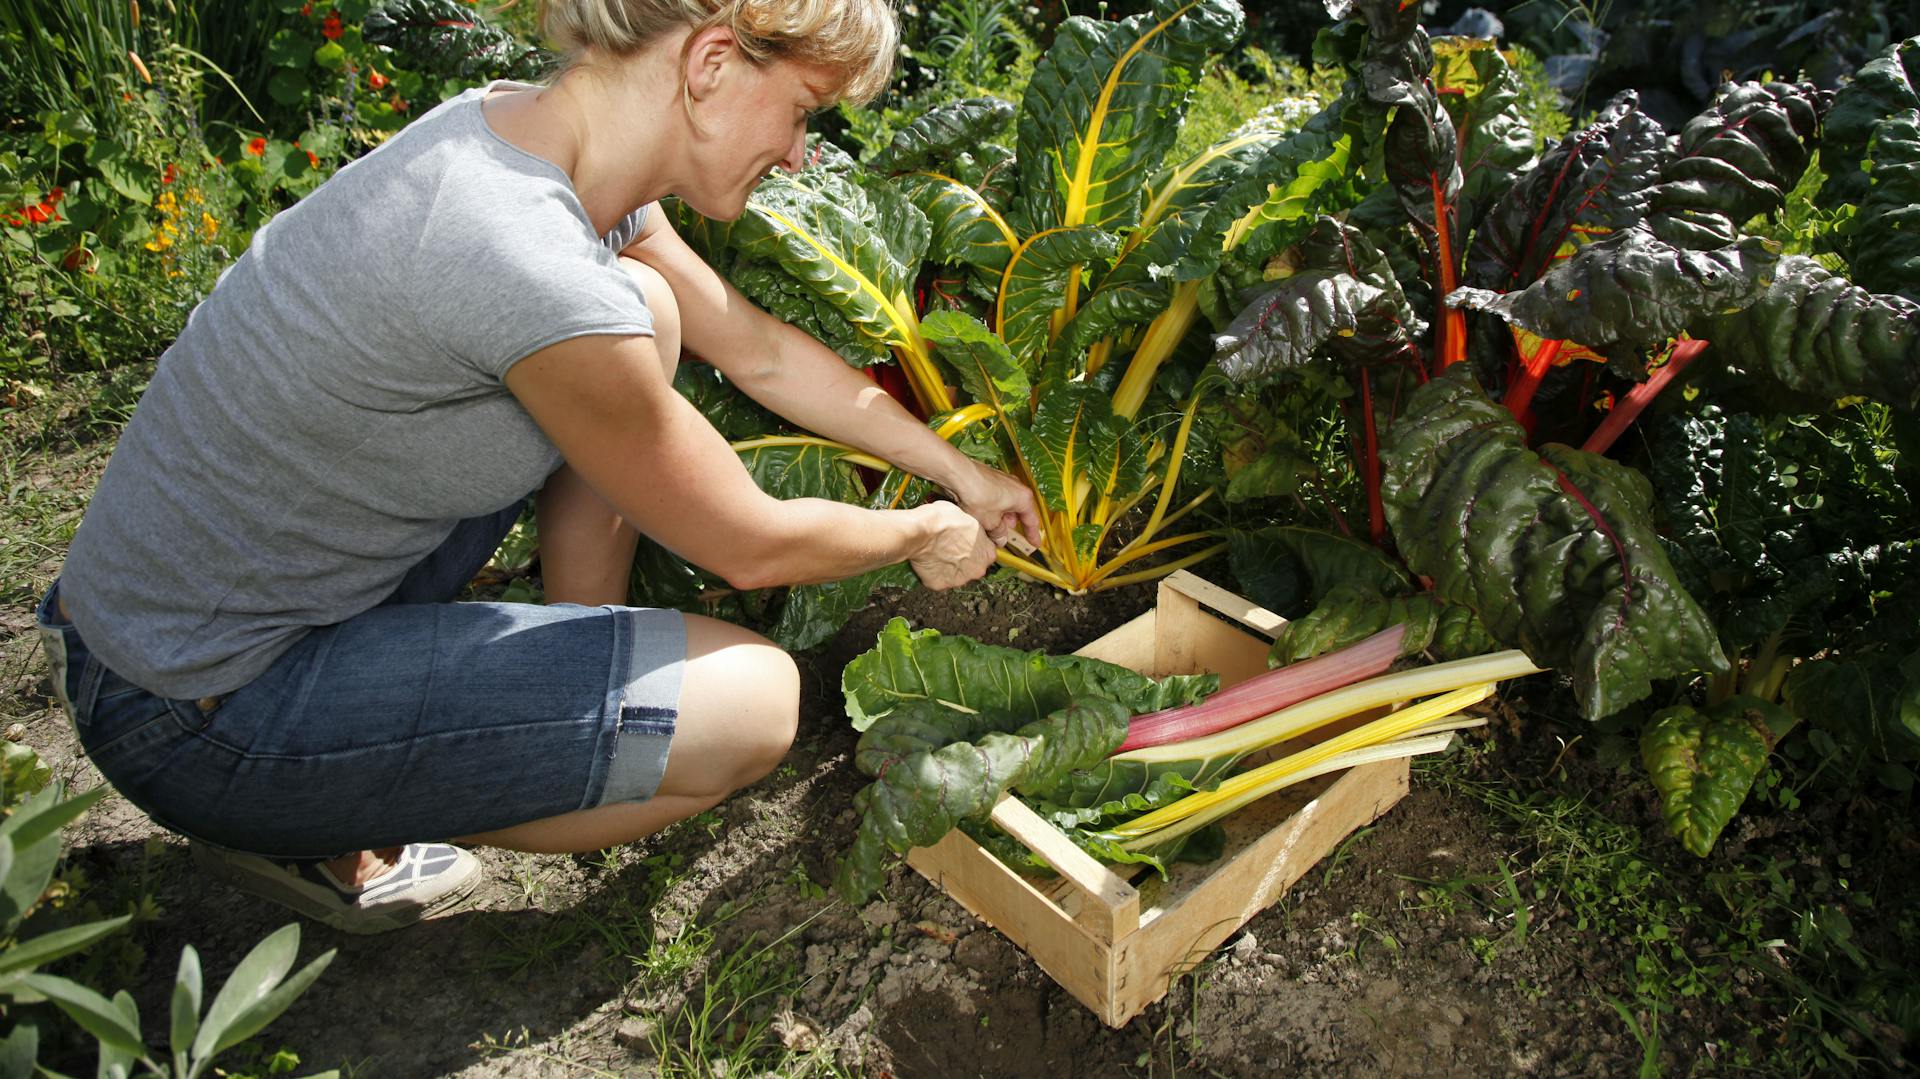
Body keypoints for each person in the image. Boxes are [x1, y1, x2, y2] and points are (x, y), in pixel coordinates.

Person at [34, 0, 1041, 934]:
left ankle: (536, 698)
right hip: (196, 708)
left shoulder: (519, 142)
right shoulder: (527, 265)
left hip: (178, 618)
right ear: (713, 63)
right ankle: (321, 818)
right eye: (802, 112)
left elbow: (760, 350)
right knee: (754, 705)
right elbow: (749, 544)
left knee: (651, 310)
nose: (799, 151)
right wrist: (921, 529)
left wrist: (960, 471)